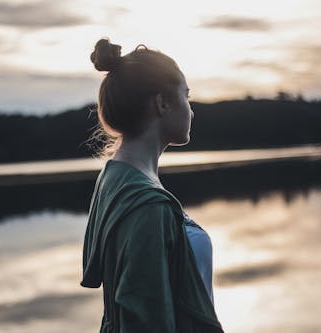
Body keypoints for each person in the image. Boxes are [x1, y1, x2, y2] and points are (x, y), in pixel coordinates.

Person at [81, 37, 224, 333]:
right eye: (187, 96)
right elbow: (144, 320)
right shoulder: (146, 205)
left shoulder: (115, 176)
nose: (192, 110)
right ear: (162, 103)